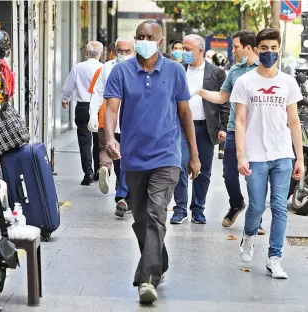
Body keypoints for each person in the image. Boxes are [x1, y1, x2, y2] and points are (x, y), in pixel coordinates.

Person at [103, 20, 200, 304]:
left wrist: (193, 154)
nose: (144, 40)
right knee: (143, 218)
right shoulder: (121, 71)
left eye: (149, 36)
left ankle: (146, 279)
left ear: (160, 41)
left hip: (167, 155)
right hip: (133, 157)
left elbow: (185, 115)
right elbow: (110, 107)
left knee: (157, 214)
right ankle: (160, 261)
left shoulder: (174, 71)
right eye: (140, 36)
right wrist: (110, 137)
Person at [232, 28, 303, 279]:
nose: (269, 52)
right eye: (264, 48)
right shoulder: (245, 82)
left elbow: (294, 122)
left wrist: (300, 159)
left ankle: (275, 257)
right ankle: (249, 236)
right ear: (256, 50)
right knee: (256, 206)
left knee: (280, 208)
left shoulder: (288, 82)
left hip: (282, 154)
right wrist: (241, 155)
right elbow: (240, 121)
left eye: (273, 48)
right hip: (255, 155)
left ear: (279, 49)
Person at [195, 30, 266, 235]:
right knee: (229, 175)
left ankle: (257, 219)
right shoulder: (234, 71)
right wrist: (199, 91)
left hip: (258, 131)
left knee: (256, 177)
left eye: (236, 46)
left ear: (249, 48)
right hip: (235, 130)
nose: (233, 50)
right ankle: (236, 204)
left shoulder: (264, 69)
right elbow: (221, 97)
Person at [171, 35, 230, 224]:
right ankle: (180, 209)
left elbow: (224, 102)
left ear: (200, 51)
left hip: (205, 127)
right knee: (179, 165)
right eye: (183, 48)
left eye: (188, 49)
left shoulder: (217, 73)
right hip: (179, 127)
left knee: (203, 170)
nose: (184, 52)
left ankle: (198, 208)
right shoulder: (178, 70)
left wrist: (223, 126)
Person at [88, 36, 135, 217]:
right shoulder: (107, 68)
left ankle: (122, 197)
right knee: (118, 159)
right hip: (113, 124)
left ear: (134, 51)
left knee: (128, 160)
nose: (123, 55)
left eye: (127, 51)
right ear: (114, 52)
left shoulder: (141, 68)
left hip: (133, 123)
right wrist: (93, 114)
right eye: (120, 51)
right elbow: (98, 92)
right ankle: (124, 195)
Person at [62, 41, 103, 185]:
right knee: (99, 140)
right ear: (101, 53)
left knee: (84, 141)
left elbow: (68, 87)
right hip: (99, 107)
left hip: (82, 107)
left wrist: (65, 99)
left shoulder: (78, 67)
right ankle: (99, 171)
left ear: (87, 53)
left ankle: (88, 173)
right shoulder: (103, 68)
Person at [212, 52, 228, 159]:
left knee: (222, 126)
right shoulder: (210, 71)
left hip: (222, 102)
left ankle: (221, 149)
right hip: (213, 102)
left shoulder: (226, 72)